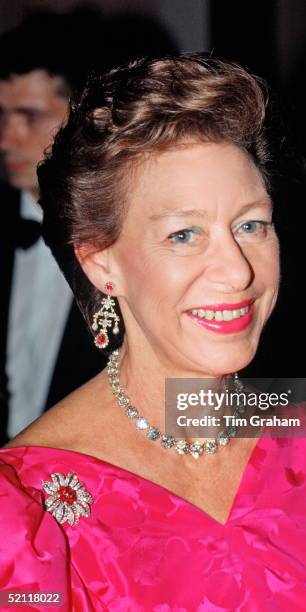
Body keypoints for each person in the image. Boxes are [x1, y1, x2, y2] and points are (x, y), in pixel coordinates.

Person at [0, 55, 306, 610]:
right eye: (183, 234)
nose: (238, 271)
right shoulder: (25, 510)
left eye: (250, 225)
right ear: (102, 264)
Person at [0, 12, 107, 444]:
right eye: (1, 115)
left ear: (90, 118)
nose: (7, 139)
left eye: (30, 116)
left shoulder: (128, 241)